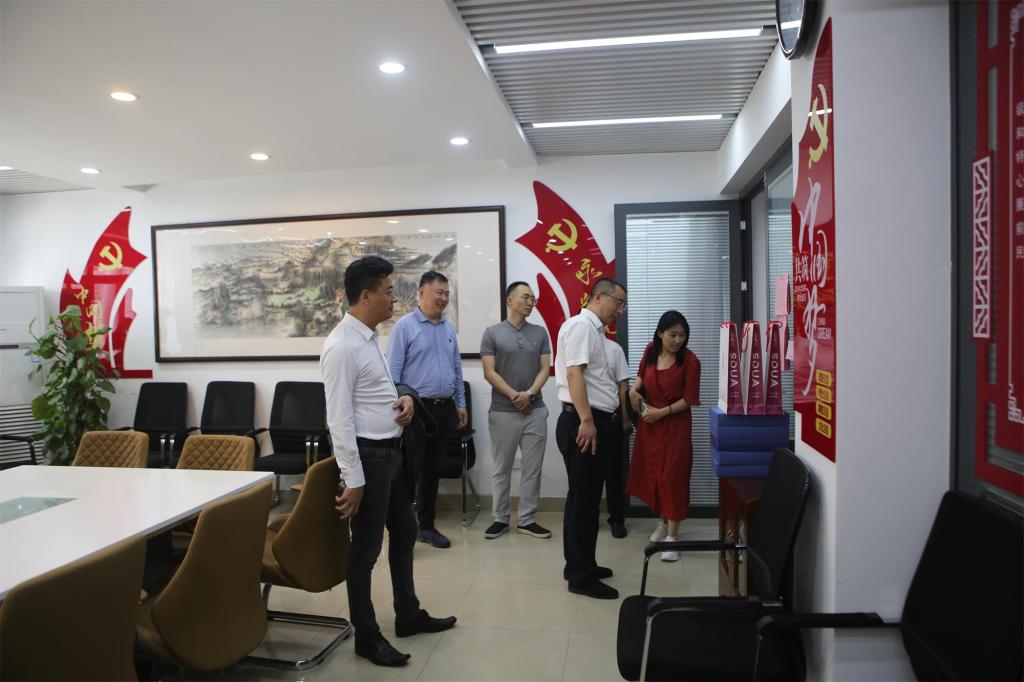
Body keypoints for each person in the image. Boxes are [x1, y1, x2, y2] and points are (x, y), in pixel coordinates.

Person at [322, 256, 456, 667]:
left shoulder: (370, 337)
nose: (394, 298)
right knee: (365, 550)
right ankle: (366, 636)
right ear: (366, 296)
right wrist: (353, 479)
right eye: (388, 291)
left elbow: (380, 389)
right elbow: (339, 420)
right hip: (368, 458)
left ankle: (408, 614)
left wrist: (405, 398)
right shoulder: (341, 347)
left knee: (405, 531)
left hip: (392, 452)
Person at [555, 278, 627, 599]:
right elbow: (574, 374)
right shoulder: (582, 326)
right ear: (599, 297)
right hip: (585, 422)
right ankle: (581, 577)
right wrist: (586, 420)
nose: (620, 310)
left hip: (593, 421)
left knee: (583, 500)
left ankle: (580, 564)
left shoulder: (594, 331)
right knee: (583, 502)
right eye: (618, 303)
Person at [388, 270, 467, 549]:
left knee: (433, 470)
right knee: (410, 471)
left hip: (445, 409)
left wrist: (460, 403)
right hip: (416, 410)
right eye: (439, 292)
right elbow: (393, 374)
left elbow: (456, 369)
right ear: (422, 293)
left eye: (447, 293)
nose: (444, 298)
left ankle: (427, 527)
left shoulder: (448, 328)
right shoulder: (404, 327)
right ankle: (403, 531)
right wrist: (401, 403)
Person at [626, 310, 701, 562]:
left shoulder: (690, 361)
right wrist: (635, 390)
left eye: (682, 335)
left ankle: (672, 538)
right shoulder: (651, 350)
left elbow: (689, 399)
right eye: (672, 334)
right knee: (655, 476)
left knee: (673, 479)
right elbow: (641, 375)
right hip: (650, 425)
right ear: (660, 333)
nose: (678, 340)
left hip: (675, 426)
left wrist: (662, 412)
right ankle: (663, 522)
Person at [480, 281, 552, 540]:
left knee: (533, 469)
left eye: (533, 298)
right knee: (502, 467)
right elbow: (489, 372)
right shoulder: (492, 333)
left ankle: (527, 520)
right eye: (525, 297)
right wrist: (514, 396)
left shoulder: (540, 333)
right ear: (510, 300)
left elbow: (545, 369)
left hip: (535, 410)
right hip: (503, 411)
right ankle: (500, 518)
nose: (530, 302)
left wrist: (529, 394)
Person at [602, 334, 633, 539]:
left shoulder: (614, 349)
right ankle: (588, 516)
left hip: (611, 418)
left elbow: (623, 386)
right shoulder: (576, 348)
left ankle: (617, 519)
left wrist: (625, 419)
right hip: (584, 417)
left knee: (614, 473)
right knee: (585, 474)